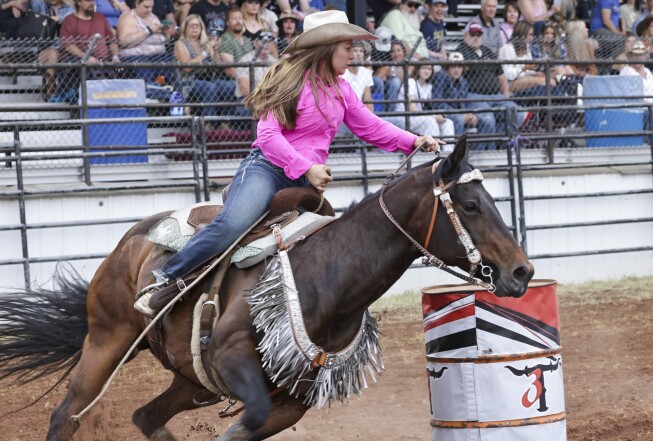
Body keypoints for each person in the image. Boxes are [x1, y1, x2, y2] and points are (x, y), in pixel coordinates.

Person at [134, 10, 442, 316]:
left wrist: (412, 140)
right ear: (328, 48)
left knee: (324, 247)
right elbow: (267, 136)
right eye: (347, 48)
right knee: (233, 224)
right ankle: (165, 278)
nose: (352, 54)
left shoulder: (343, 90)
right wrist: (307, 167)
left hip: (305, 182)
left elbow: (370, 126)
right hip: (266, 170)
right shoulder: (292, 82)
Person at [456, 22, 521, 140]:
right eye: (472, 34)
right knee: (488, 119)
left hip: (495, 95)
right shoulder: (461, 51)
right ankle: (483, 152)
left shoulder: (487, 51)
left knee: (514, 110)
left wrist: (506, 97)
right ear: (466, 36)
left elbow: (501, 75)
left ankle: (501, 143)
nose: (476, 37)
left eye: (478, 35)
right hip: (474, 96)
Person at [174, 14, 238, 123]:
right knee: (210, 87)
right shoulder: (180, 44)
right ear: (185, 28)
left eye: (197, 25)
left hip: (209, 78)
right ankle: (208, 123)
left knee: (232, 86)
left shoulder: (204, 43)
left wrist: (216, 49)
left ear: (201, 28)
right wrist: (205, 53)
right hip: (189, 81)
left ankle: (225, 121)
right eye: (191, 25)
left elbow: (216, 63)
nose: (195, 28)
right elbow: (187, 67)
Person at [432, 51, 496, 141]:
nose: (456, 70)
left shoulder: (463, 82)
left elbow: (463, 104)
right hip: (442, 113)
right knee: (459, 119)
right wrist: (461, 115)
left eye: (459, 66)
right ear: (448, 67)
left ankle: (480, 152)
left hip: (458, 113)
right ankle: (458, 152)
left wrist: (470, 116)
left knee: (487, 120)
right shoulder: (441, 77)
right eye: (453, 66)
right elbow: (437, 103)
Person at [117, 0, 174, 84]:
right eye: (146, 7)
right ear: (137, 3)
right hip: (137, 58)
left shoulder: (153, 17)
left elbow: (166, 39)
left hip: (158, 57)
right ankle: (151, 92)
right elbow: (124, 42)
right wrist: (148, 31)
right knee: (145, 69)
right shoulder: (128, 17)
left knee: (171, 61)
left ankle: (166, 90)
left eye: (151, 7)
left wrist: (165, 33)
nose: (149, 10)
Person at [407, 63, 456, 140]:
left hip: (421, 117)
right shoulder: (411, 82)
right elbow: (412, 109)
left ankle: (449, 151)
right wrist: (434, 116)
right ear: (417, 69)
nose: (426, 71)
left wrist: (439, 116)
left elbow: (430, 107)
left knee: (448, 122)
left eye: (429, 69)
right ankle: (435, 151)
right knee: (431, 121)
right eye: (424, 68)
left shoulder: (428, 86)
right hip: (408, 117)